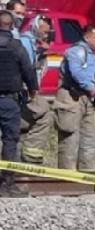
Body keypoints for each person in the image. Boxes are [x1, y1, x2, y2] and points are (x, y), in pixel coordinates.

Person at [0, 11, 39, 197]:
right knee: (9, 141)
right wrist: (33, 90)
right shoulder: (17, 47)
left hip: (9, 99)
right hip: (9, 100)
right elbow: (28, 71)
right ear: (12, 26)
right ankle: (7, 185)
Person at [55, 24, 95, 170]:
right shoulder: (77, 51)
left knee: (89, 138)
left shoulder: (92, 54)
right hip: (71, 96)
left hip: (86, 99)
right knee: (69, 139)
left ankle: (87, 173)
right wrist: (91, 88)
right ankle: (66, 176)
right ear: (87, 37)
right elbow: (77, 73)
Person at [17, 14, 54, 165]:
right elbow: (27, 69)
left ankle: (22, 153)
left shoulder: (31, 43)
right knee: (45, 114)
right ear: (36, 27)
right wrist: (32, 89)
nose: (46, 35)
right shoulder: (25, 42)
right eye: (44, 32)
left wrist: (41, 53)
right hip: (23, 90)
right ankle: (31, 152)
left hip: (23, 90)